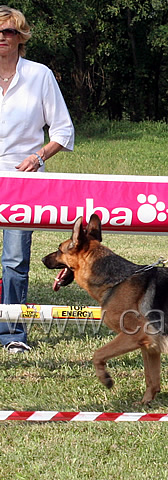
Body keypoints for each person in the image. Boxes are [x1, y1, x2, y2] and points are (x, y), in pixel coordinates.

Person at [0, 6, 74, 353]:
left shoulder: (40, 75)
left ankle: (12, 334)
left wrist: (38, 156)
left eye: (9, 31)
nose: (2, 37)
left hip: (20, 180)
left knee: (15, 260)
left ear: (21, 37)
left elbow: (62, 130)